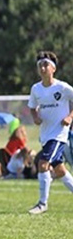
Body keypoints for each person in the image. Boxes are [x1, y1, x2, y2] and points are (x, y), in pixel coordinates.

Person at [27, 51, 73, 214]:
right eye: (40, 65)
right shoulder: (36, 89)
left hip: (59, 134)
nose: (42, 68)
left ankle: (42, 204)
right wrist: (35, 117)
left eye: (46, 65)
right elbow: (32, 106)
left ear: (53, 69)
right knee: (60, 170)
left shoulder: (63, 87)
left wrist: (69, 116)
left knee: (42, 163)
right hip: (46, 135)